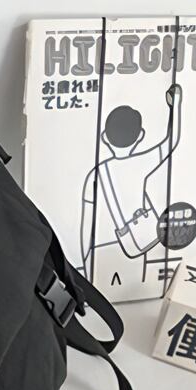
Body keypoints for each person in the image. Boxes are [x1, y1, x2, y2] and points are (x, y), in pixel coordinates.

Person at [80, 85, 182, 281]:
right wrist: (175, 105)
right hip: (136, 241)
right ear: (140, 136)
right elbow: (171, 141)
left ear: (104, 138)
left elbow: (87, 227)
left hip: (101, 250)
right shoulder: (142, 163)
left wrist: (83, 264)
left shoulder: (95, 175)